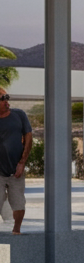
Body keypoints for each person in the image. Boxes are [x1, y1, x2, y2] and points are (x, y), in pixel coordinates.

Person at [0, 87, 33, 234]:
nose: (6, 101)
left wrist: (22, 162)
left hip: (16, 170)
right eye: (2, 99)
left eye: (7, 97)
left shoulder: (19, 115)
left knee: (19, 203)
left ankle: (16, 230)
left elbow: (28, 137)